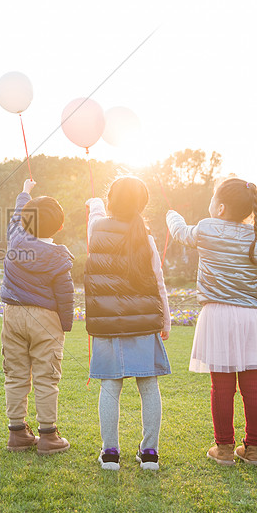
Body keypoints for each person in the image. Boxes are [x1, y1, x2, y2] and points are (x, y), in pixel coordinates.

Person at [166, 178, 257, 466]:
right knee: (254, 385)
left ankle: (224, 450)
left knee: (222, 386)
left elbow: (181, 233)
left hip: (217, 315)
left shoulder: (206, 227)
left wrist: (171, 215)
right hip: (251, 317)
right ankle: (254, 450)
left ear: (219, 207)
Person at [85, 176, 171, 471]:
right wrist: (166, 320)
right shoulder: (145, 238)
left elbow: (95, 218)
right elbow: (159, 283)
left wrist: (94, 204)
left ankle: (110, 454)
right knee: (149, 386)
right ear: (142, 204)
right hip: (144, 324)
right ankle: (150, 454)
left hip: (108, 326)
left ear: (110, 202)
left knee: (110, 387)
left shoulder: (97, 229)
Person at [0, 179, 74, 455]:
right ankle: (48, 435)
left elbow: (17, 216)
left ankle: (17, 432)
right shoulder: (58, 257)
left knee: (15, 373)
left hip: (13, 315)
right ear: (60, 226)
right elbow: (65, 295)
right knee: (46, 376)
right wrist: (65, 324)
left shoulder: (16, 238)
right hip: (46, 319)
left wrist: (25, 192)